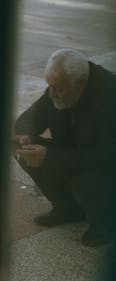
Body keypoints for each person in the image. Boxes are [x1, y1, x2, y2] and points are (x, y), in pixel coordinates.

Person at [14, 48, 116, 247]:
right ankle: (68, 209)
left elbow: (105, 157)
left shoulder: (109, 96)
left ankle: (104, 223)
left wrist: (50, 156)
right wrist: (25, 136)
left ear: (80, 83)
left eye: (58, 88)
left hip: (101, 167)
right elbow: (32, 116)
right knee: (19, 149)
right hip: (71, 154)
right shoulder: (59, 85)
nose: (51, 94)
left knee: (83, 180)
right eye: (49, 87)